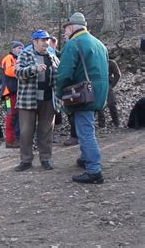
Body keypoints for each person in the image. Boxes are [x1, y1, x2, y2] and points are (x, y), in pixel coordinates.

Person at [57, 12, 109, 184]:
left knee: (85, 131)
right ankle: (85, 158)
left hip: (83, 94)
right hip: (99, 93)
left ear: (72, 27)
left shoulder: (73, 44)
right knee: (86, 127)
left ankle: (94, 170)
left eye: (66, 29)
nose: (65, 33)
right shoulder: (100, 43)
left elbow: (64, 73)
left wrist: (59, 93)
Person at [14, 30, 61, 172]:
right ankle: (26, 160)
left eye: (47, 40)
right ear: (35, 42)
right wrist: (35, 69)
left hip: (48, 100)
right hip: (28, 100)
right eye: (42, 40)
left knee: (46, 131)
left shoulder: (52, 56)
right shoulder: (25, 54)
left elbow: (58, 77)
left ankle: (45, 159)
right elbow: (18, 72)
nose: (46, 43)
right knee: (26, 132)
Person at [0, 41, 23, 148]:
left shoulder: (16, 59)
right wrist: (21, 69)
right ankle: (9, 140)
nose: (20, 50)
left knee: (17, 116)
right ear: (13, 49)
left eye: (22, 48)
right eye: (19, 48)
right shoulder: (8, 58)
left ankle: (16, 138)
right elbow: (9, 71)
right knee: (11, 116)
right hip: (8, 93)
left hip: (15, 92)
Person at [97, 59, 121, 128]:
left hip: (107, 85)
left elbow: (117, 74)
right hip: (98, 86)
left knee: (112, 104)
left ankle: (116, 123)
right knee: (100, 106)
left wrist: (112, 85)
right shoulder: (95, 62)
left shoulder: (111, 63)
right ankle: (101, 125)